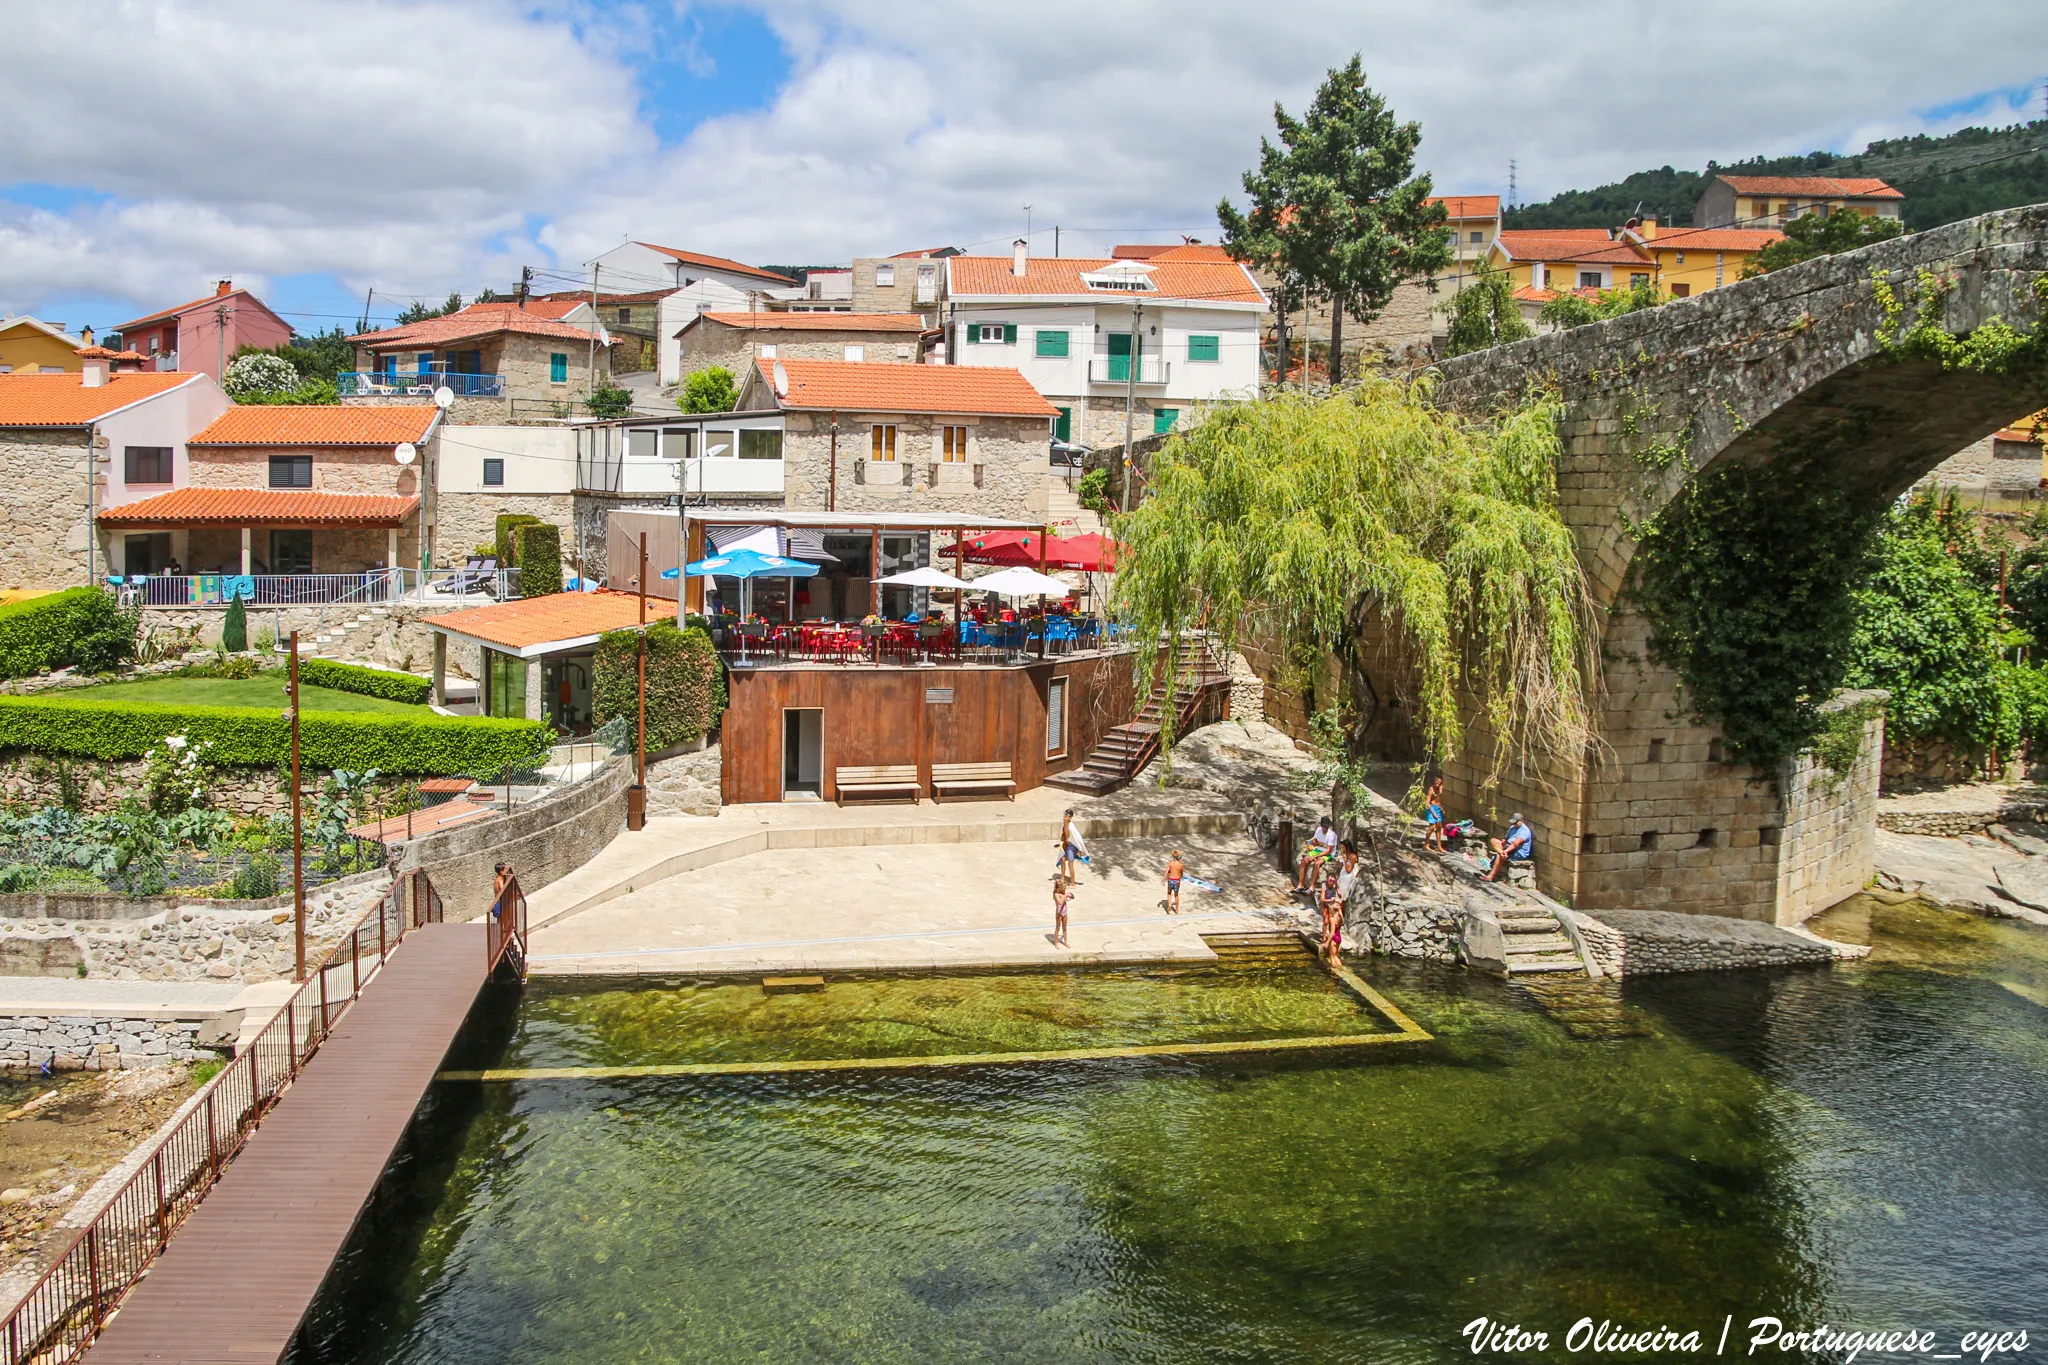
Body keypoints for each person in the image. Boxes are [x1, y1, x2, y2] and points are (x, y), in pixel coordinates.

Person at [1484, 815, 1534, 883]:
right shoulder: (1512, 828)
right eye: (1513, 823)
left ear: (1521, 821)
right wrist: (1503, 841)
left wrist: (1506, 851)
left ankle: (1490, 876)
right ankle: (1502, 853)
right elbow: (1506, 838)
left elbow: (1515, 844)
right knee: (1493, 840)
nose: (1514, 824)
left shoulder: (1525, 831)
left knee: (1499, 855)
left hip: (1518, 851)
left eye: (1515, 823)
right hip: (1508, 847)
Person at [1294, 816, 1338, 892]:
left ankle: (1312, 886)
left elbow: (1328, 850)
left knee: (1317, 863)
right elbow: (1314, 841)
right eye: (1323, 827)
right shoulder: (1318, 830)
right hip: (1318, 849)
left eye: (1326, 827)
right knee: (1304, 860)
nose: (1325, 829)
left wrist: (1315, 856)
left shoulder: (1332, 835)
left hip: (1328, 853)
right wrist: (1316, 844)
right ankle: (1300, 884)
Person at [1318, 860, 1344, 960]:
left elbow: (1339, 892)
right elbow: (1322, 899)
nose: (1332, 882)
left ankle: (1332, 936)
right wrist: (1330, 899)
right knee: (1325, 921)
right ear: (1327, 879)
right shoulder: (1324, 886)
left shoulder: (1335, 884)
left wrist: (1339, 894)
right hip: (1326, 903)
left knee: (1333, 922)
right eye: (1330, 880)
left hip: (1332, 905)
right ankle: (1324, 938)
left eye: (1333, 881)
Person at [1059, 809, 1088, 889]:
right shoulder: (1066, 824)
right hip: (1067, 846)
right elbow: (1063, 836)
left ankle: (1072, 883)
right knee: (1062, 859)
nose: (1064, 817)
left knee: (1070, 864)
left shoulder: (1070, 826)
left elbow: (1069, 836)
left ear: (1070, 817)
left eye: (1066, 816)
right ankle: (1062, 878)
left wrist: (1080, 849)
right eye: (1064, 815)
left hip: (1072, 848)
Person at [1422, 776, 1446, 853]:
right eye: (1436, 783)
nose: (1437, 785)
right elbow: (1427, 803)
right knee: (1432, 827)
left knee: (1439, 828)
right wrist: (1434, 813)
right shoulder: (1431, 789)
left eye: (1439, 783)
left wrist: (1442, 808)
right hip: (1431, 809)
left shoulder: (1440, 790)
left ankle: (1439, 846)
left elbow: (1439, 800)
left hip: (1438, 809)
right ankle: (1426, 844)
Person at [1164, 850, 1185, 915]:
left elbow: (1166, 872)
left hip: (1171, 880)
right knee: (1176, 895)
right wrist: (1180, 877)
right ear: (1179, 857)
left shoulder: (1170, 863)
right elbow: (1181, 873)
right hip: (1177, 880)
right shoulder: (1181, 865)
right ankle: (1177, 909)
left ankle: (1169, 904)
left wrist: (1164, 879)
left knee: (1169, 893)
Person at [1052, 879, 1072, 948]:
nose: (1064, 890)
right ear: (1059, 888)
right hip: (1059, 912)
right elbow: (1060, 902)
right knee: (1057, 927)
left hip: (1064, 912)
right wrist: (1065, 896)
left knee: (1064, 927)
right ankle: (1056, 943)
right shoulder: (1056, 894)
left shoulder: (1064, 893)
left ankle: (1065, 942)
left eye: (1065, 889)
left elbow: (1072, 897)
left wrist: (1071, 895)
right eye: (1063, 889)